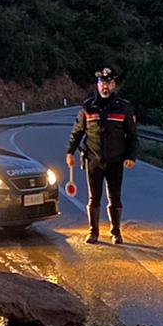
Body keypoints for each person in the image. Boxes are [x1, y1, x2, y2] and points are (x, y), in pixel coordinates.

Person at [64, 67, 139, 244]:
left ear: (114, 85)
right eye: (101, 83)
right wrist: (70, 152)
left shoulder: (124, 108)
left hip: (115, 160)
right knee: (94, 197)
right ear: (97, 85)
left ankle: (116, 232)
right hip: (93, 160)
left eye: (108, 83)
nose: (105, 86)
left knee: (115, 197)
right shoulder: (88, 107)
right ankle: (93, 232)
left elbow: (133, 136)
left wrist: (131, 156)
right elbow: (77, 132)